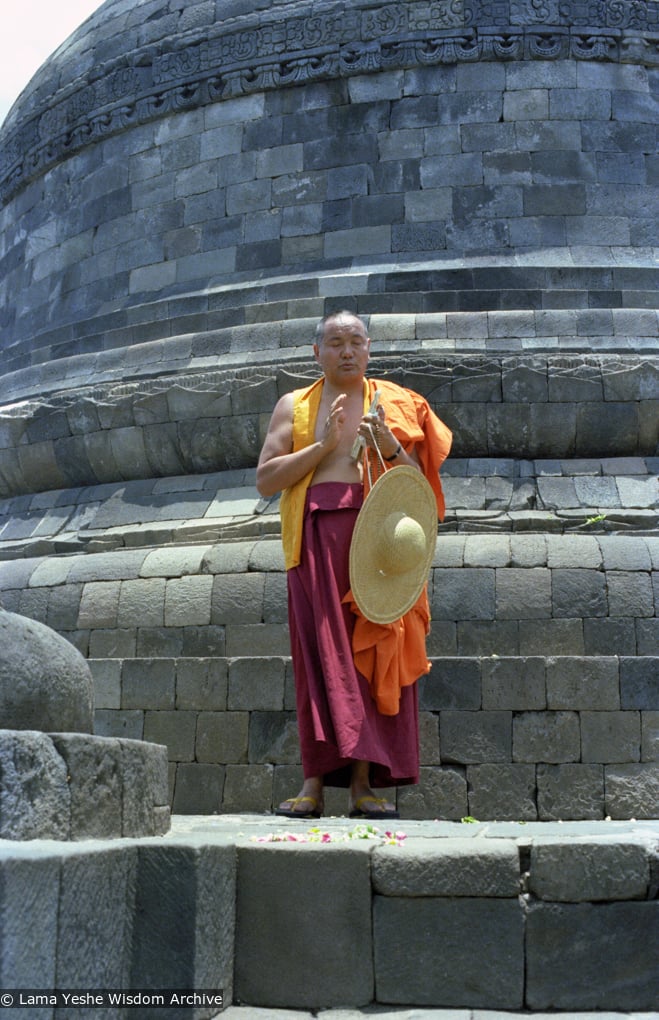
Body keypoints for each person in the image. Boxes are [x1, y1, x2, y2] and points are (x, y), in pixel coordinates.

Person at [256, 311, 452, 819]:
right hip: (316, 540)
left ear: (369, 351)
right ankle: (313, 783)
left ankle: (364, 783)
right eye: (336, 342)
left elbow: (419, 486)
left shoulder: (394, 405)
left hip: (377, 545)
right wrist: (322, 446)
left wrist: (386, 444)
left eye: (356, 343)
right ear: (315, 352)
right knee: (320, 659)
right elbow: (267, 478)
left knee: (369, 658)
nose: (347, 351)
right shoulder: (294, 407)